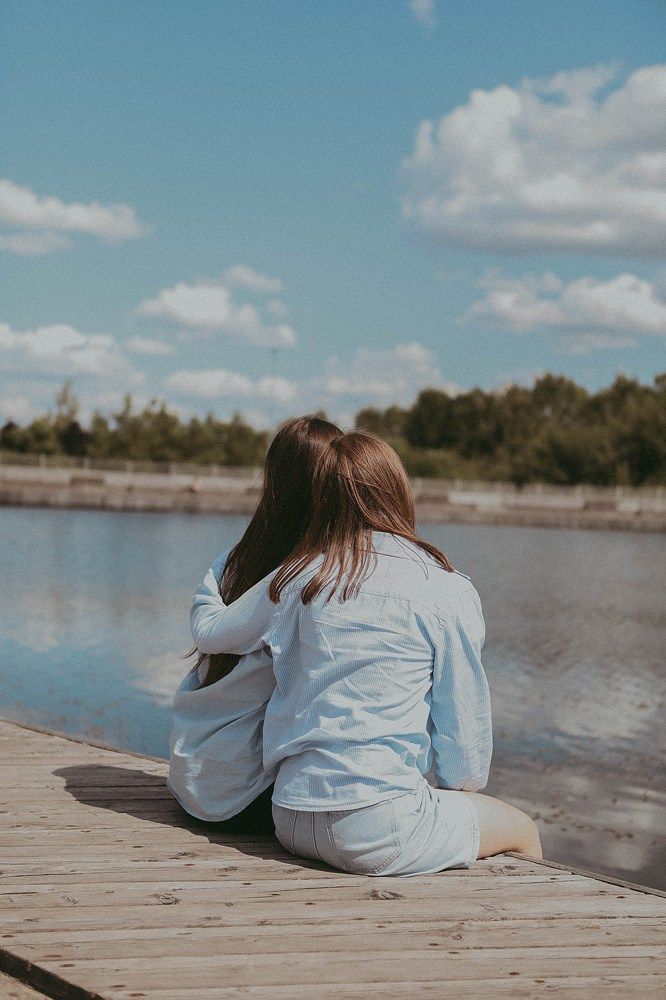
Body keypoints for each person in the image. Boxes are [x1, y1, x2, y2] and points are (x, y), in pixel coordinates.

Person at [190, 429, 542, 875]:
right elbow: (465, 756)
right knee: (523, 830)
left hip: (291, 817)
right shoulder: (445, 588)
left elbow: (212, 633)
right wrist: (450, 796)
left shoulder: (297, 577)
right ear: (397, 492)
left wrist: (221, 567)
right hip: (380, 827)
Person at [168, 414, 342, 831]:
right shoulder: (308, 579)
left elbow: (204, 625)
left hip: (191, 780)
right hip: (244, 798)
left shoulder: (234, 559)